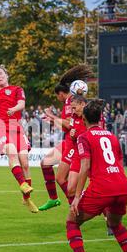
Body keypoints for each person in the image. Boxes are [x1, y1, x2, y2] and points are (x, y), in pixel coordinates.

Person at [66, 99, 127, 252]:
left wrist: (77, 197)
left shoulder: (84, 137)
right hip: (121, 184)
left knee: (71, 220)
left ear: (84, 118)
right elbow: (119, 161)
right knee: (115, 224)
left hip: (102, 186)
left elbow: (84, 166)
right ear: (100, 118)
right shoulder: (111, 136)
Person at [38, 65, 92, 211]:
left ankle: (75, 204)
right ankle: (55, 199)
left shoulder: (70, 102)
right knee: (45, 163)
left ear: (61, 93)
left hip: (73, 143)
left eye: (57, 96)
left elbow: (69, 125)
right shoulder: (73, 102)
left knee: (61, 178)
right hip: (68, 140)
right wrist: (53, 120)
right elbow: (68, 124)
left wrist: (52, 117)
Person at [0, 65, 37, 213]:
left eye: (0, 74)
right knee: (12, 152)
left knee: (25, 163)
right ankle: (22, 183)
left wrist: (14, 109)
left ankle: (26, 199)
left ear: (7, 75)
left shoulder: (17, 89)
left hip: (16, 126)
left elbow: (22, 104)